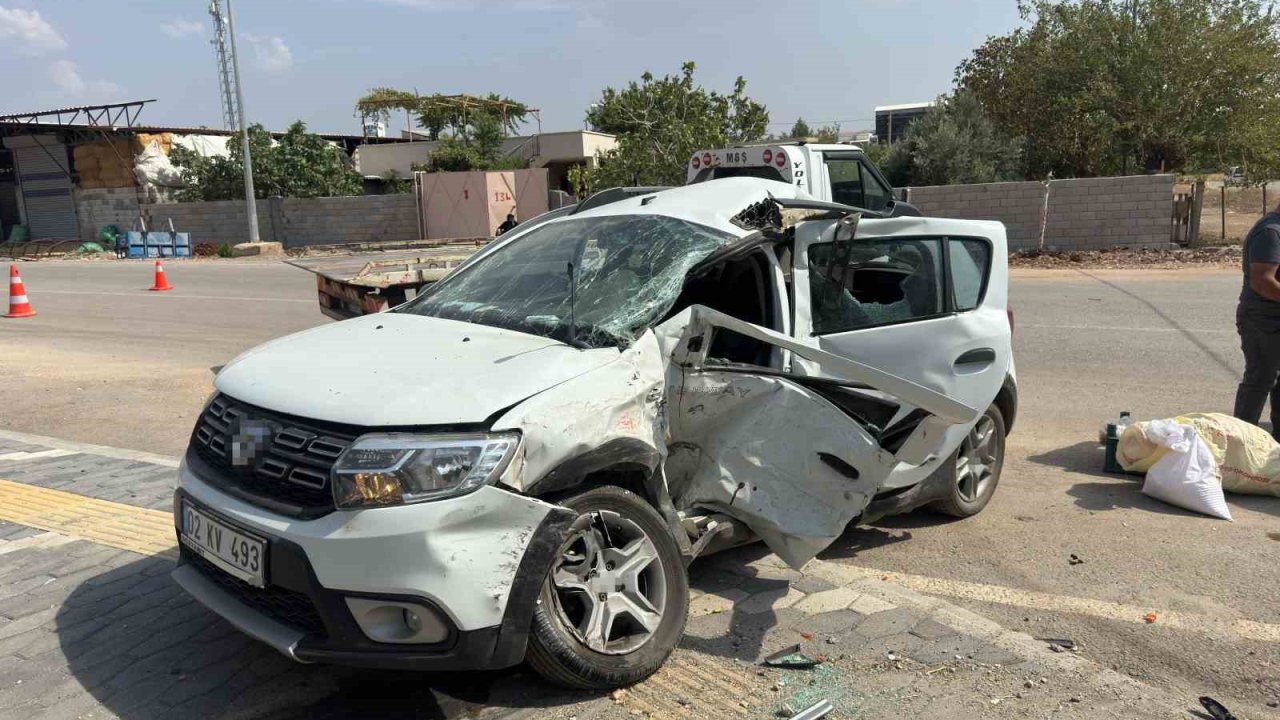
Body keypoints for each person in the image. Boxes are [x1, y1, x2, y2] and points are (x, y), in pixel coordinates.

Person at [1233, 203, 1280, 439]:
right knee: (1261, 379)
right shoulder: (1271, 231)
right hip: (1263, 319)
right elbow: (1262, 281)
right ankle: (1240, 445)